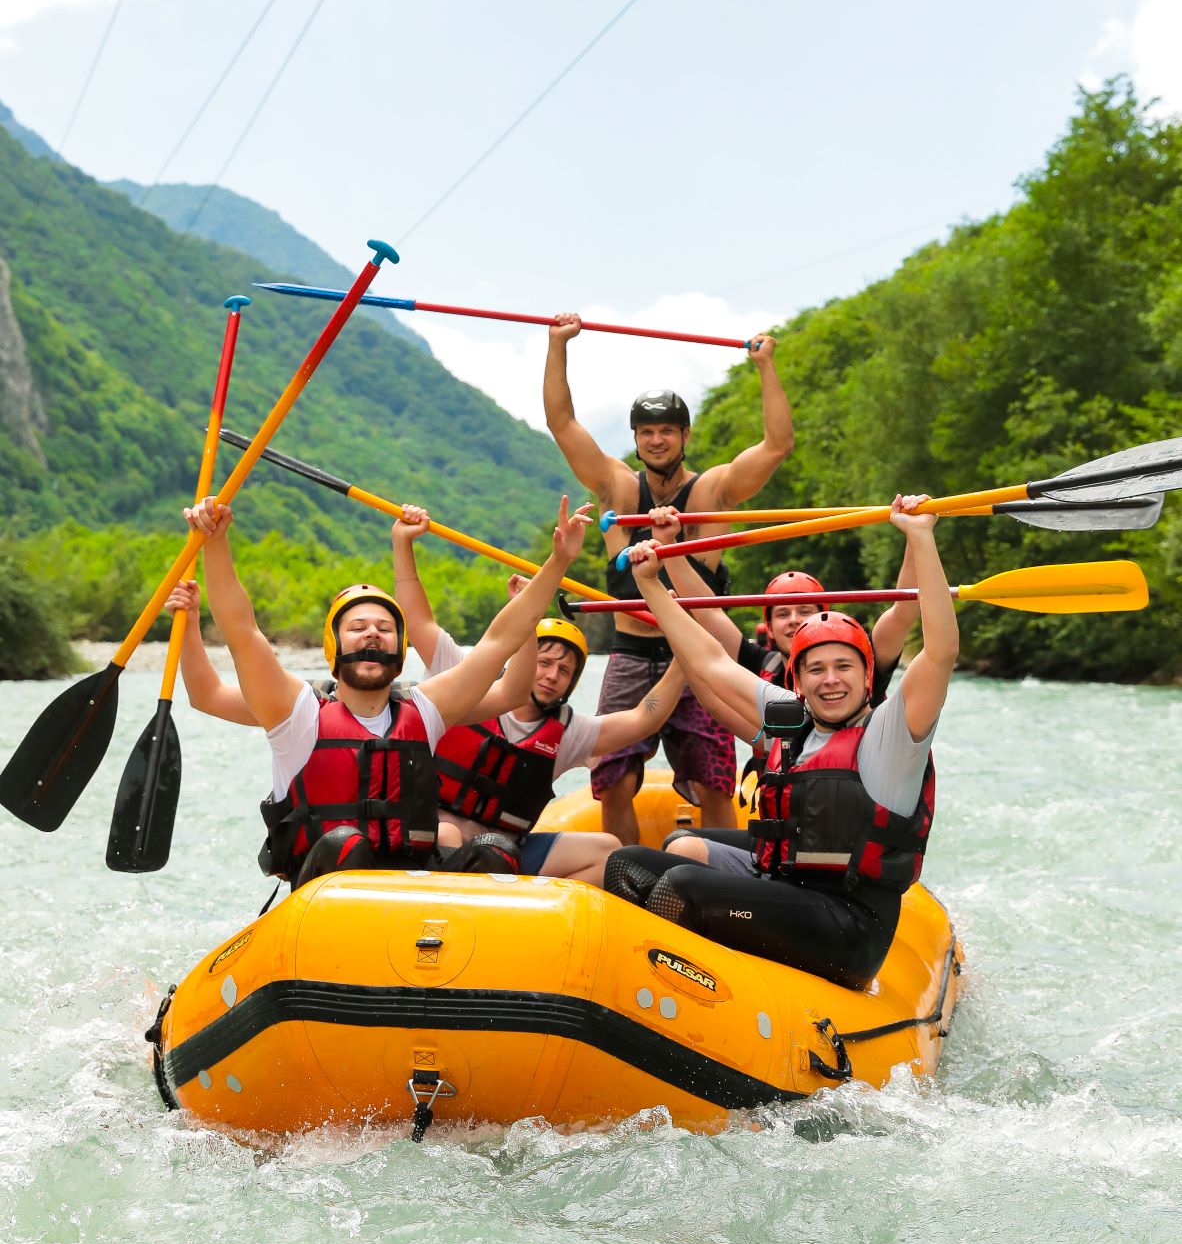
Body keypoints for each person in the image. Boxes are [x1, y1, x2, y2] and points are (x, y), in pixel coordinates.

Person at [602, 496, 957, 990]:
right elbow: (709, 660)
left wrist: (921, 537)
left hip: (849, 924)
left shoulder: (893, 735)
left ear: (867, 673)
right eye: (815, 669)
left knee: (682, 885)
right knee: (627, 865)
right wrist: (650, 586)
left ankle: (676, 986)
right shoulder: (791, 720)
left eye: (843, 667)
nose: (830, 680)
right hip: (784, 887)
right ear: (798, 677)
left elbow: (940, 652)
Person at [183, 491, 593, 888]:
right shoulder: (296, 712)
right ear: (335, 646)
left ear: (400, 648)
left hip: (408, 896)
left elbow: (498, 642)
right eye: (358, 629)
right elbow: (242, 632)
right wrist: (216, 544)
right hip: (327, 896)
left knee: (496, 850)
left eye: (384, 629)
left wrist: (557, 562)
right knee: (347, 844)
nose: (373, 636)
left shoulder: (425, 710)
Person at [543, 313, 794, 843]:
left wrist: (766, 367)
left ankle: (726, 874)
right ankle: (627, 874)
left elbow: (776, 446)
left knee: (714, 786)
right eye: (647, 432)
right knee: (614, 781)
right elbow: (562, 423)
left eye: (667, 431)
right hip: (632, 654)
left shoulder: (713, 494)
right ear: (636, 438)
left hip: (699, 658)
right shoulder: (615, 487)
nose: (657, 441)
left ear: (685, 435)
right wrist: (558, 344)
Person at [391, 507, 687, 886]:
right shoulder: (466, 678)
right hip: (432, 839)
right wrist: (403, 544)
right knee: (449, 836)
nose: (551, 675)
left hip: (508, 852)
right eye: (545, 662)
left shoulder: (567, 733)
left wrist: (682, 652)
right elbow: (418, 622)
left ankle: (539, 922)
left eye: (564, 671)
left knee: (608, 850)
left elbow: (644, 718)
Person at [644, 504, 920, 777]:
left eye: (804, 611)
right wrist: (668, 544)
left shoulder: (860, 660)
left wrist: (915, 536)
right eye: (783, 613)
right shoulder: (762, 664)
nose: (793, 620)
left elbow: (904, 609)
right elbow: (710, 612)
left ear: (824, 617)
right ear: (770, 629)